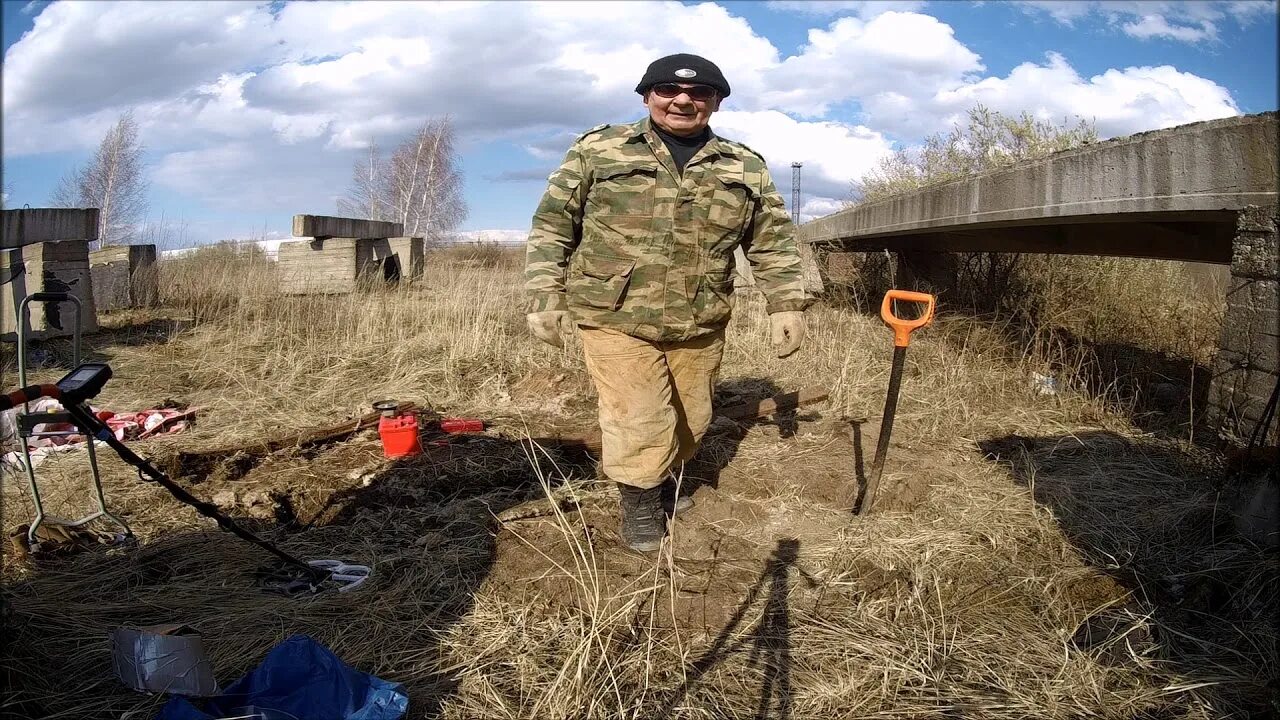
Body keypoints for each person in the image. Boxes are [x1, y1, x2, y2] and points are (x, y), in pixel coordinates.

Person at [524, 53, 811, 552]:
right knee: (640, 416)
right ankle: (639, 504)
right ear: (646, 96)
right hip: (612, 313)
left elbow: (770, 241)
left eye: (699, 93)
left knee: (690, 419)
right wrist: (545, 294)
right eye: (667, 91)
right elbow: (553, 224)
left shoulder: (744, 165)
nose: (682, 100)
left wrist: (785, 303)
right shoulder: (600, 150)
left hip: (700, 318)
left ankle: (664, 479)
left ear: (716, 102)